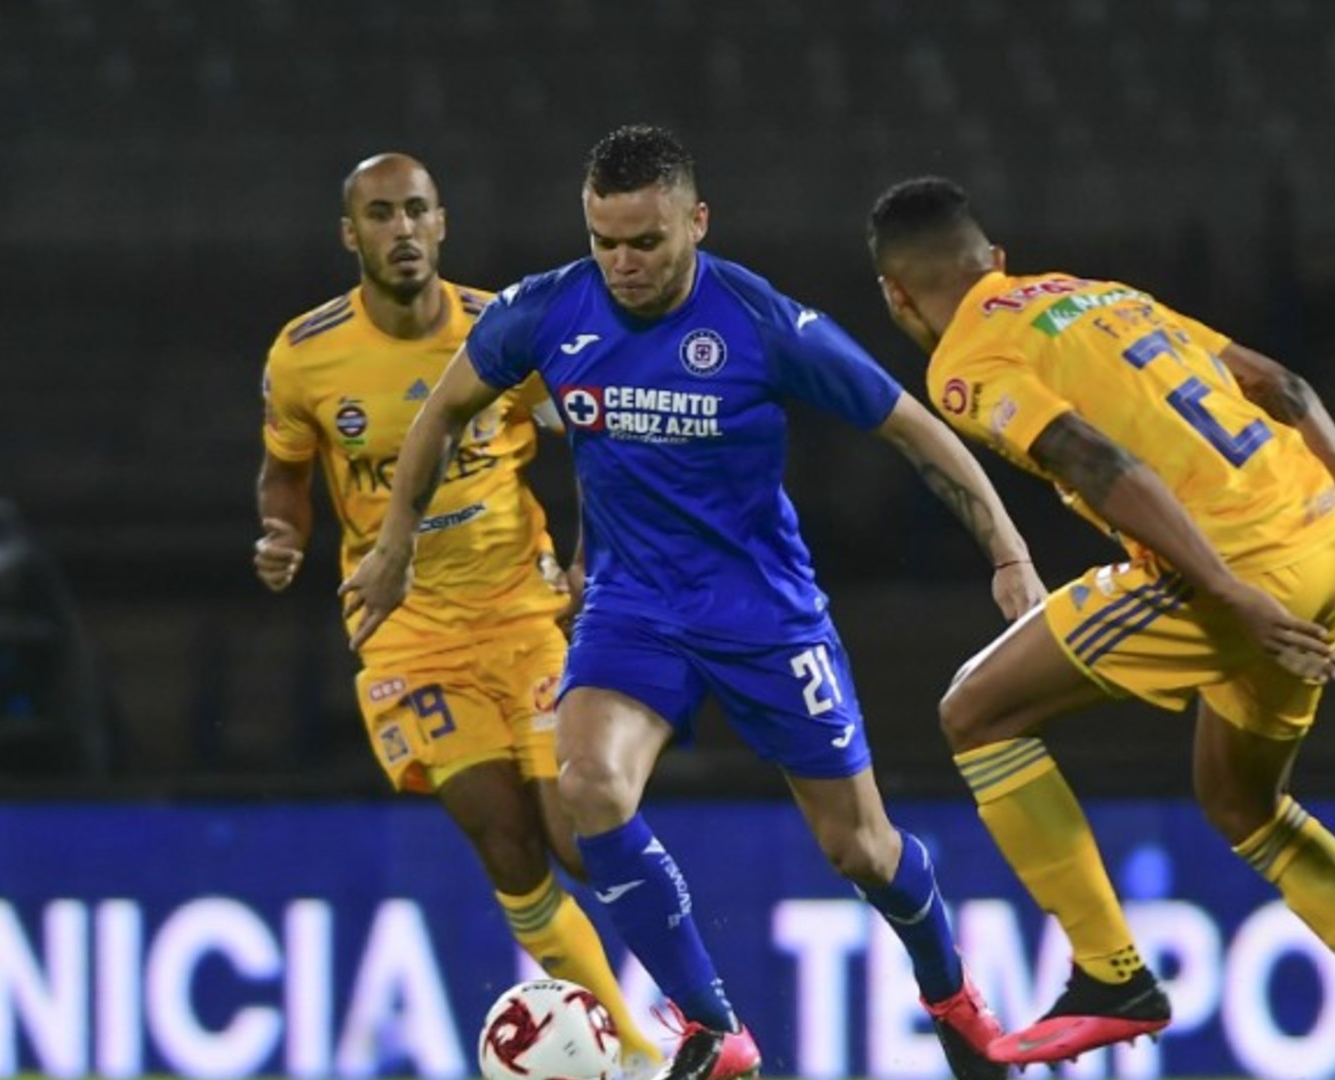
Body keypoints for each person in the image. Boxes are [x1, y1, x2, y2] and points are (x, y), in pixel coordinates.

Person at [341, 126, 1044, 1080]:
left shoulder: (761, 323)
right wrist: (393, 547)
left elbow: (917, 432)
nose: (623, 264)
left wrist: (1006, 552)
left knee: (864, 851)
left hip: (765, 615)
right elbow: (442, 412)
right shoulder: (545, 312)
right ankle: (715, 1031)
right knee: (589, 786)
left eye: (647, 242)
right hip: (632, 612)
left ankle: (953, 998)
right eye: (606, 241)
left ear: (696, 223)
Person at [864, 176, 1335, 1080]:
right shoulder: (1103, 296)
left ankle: (1110, 976)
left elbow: (1094, 459)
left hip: (1233, 566)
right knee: (1244, 801)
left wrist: (1224, 587)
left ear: (897, 296)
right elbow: (1282, 385)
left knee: (975, 713)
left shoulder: (966, 360)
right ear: (996, 260)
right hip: (1322, 540)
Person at [252, 152, 663, 1077]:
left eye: (417, 211)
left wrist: (601, 554)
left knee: (581, 838)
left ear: (443, 225)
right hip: (408, 632)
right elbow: (284, 472)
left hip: (525, 615)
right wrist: (282, 533)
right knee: (505, 839)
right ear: (350, 234)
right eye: (381, 214)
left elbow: (596, 433)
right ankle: (636, 1058)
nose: (401, 229)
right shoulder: (305, 355)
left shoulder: (505, 330)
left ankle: (696, 1003)